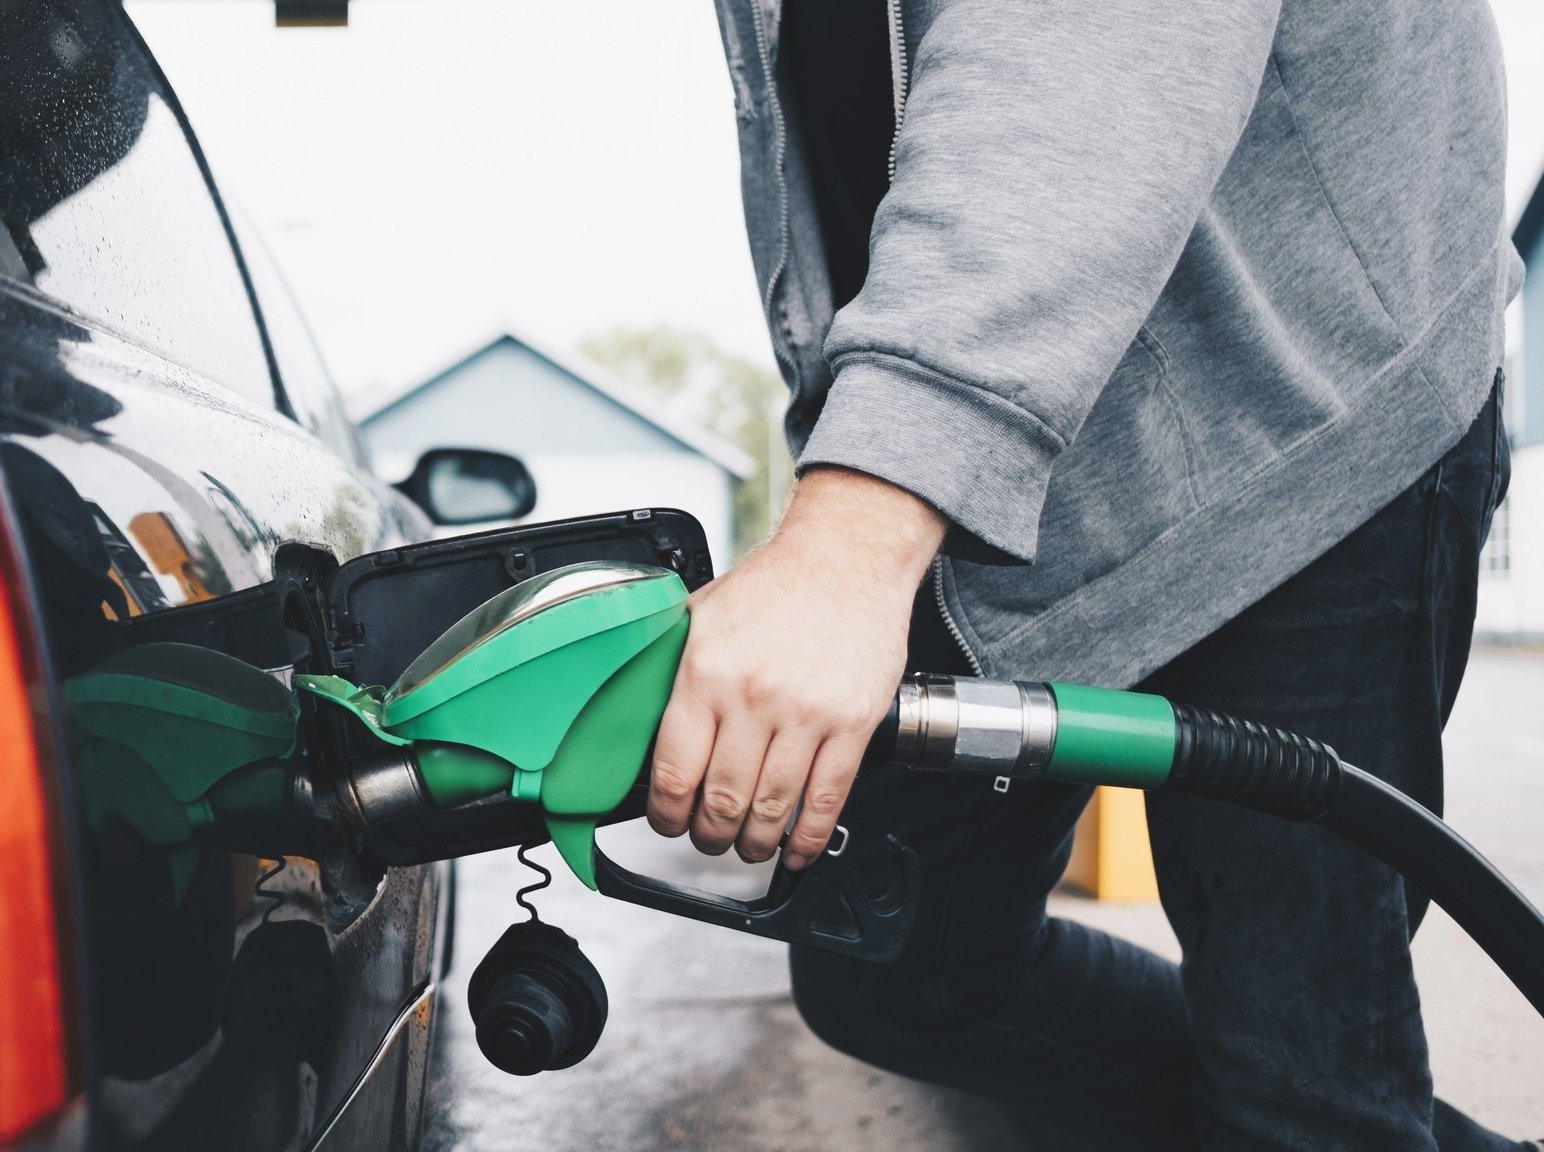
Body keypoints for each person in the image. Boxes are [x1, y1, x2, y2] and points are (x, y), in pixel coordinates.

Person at [648, 1, 1524, 1148]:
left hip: (1301, 432)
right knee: (892, 964)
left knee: (1293, 1065)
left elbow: (1086, 48)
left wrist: (852, 531)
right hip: (1008, 460)